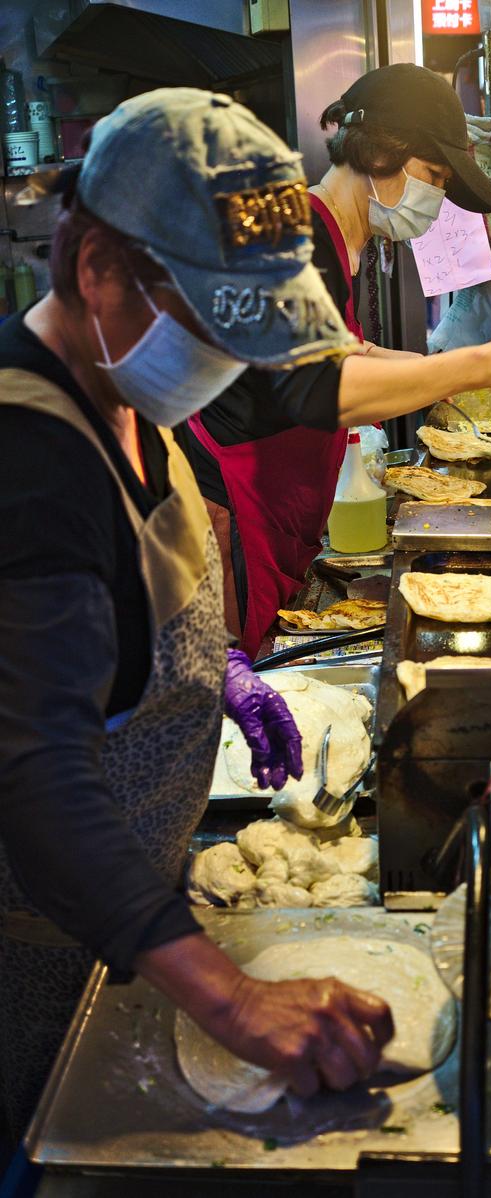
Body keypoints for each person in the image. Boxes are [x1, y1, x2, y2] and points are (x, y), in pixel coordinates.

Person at [0, 88, 394, 1157]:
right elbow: (37, 775)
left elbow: (120, 603)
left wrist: (211, 667)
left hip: (132, 911)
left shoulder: (129, 402)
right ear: (97, 272)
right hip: (41, 954)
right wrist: (229, 999)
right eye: (215, 319)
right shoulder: (30, 462)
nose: (232, 356)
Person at [182, 64, 491, 657]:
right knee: (233, 701)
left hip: (271, 508)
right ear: (383, 149)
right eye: (433, 175)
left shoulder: (338, 239)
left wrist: (439, 381)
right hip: (226, 512)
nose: (436, 200)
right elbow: (321, 384)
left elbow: (345, 349)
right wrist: (479, 367)